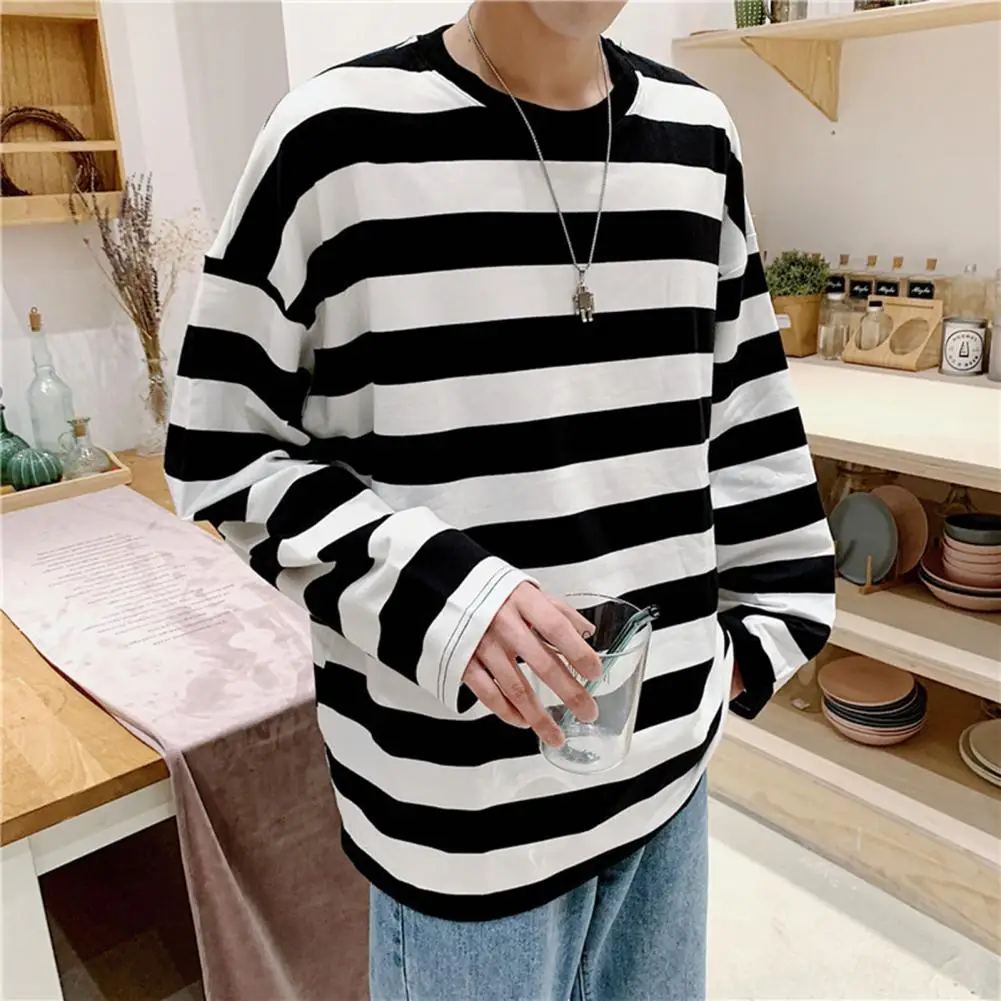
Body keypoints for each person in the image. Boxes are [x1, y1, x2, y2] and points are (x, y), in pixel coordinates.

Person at [165, 2, 836, 998]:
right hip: (461, 830)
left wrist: (752, 640)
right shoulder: (332, 142)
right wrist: (440, 591)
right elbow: (219, 450)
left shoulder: (697, 136)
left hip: (665, 792)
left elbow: (744, 415)